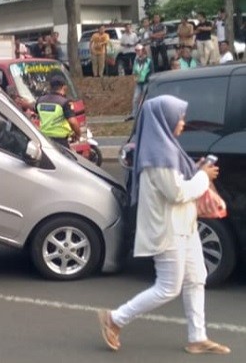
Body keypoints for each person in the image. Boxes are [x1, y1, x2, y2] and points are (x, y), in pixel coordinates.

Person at [97, 95, 229, 355]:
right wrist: (203, 175)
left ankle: (197, 337)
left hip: (184, 226)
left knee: (196, 278)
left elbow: (179, 183)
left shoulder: (168, 149)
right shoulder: (159, 155)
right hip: (168, 230)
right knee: (169, 286)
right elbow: (177, 193)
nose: (183, 122)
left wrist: (198, 169)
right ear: (165, 120)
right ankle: (115, 318)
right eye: (179, 117)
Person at [35, 76, 81, 148]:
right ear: (64, 87)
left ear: (50, 86)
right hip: (60, 141)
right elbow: (73, 122)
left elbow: (37, 115)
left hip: (44, 139)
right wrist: (78, 134)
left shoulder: (40, 101)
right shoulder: (64, 102)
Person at [129, 44, 152, 121]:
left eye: (139, 50)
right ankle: (134, 114)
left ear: (143, 51)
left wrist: (148, 79)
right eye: (136, 51)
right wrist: (135, 77)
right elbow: (134, 71)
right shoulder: (136, 61)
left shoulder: (149, 61)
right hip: (139, 82)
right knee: (135, 98)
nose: (137, 52)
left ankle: (145, 113)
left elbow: (151, 71)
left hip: (146, 82)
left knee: (145, 99)